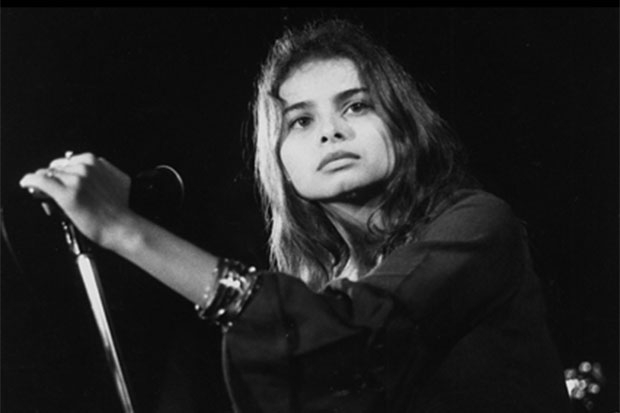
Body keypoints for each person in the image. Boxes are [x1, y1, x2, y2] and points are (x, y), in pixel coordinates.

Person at [19, 19, 571, 413]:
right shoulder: (318, 285)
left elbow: (349, 330)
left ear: (405, 126)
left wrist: (125, 230)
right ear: (279, 160)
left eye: (357, 105)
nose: (331, 131)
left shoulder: (477, 224)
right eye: (300, 121)